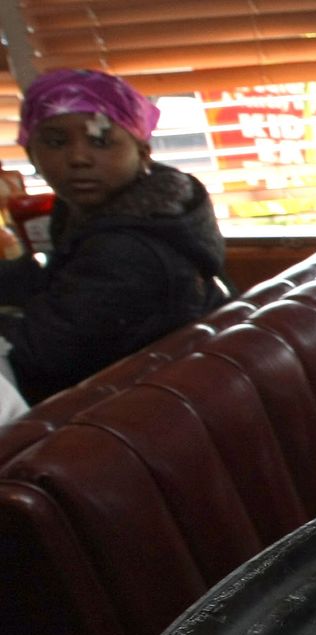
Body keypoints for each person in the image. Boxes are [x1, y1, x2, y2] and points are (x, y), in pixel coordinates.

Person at [0, 69, 226, 404]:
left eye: (101, 142)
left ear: (142, 152)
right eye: (56, 142)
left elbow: (40, 353)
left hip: (155, 408)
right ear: (32, 154)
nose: (78, 158)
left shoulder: (129, 248)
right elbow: (51, 277)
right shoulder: (98, 212)